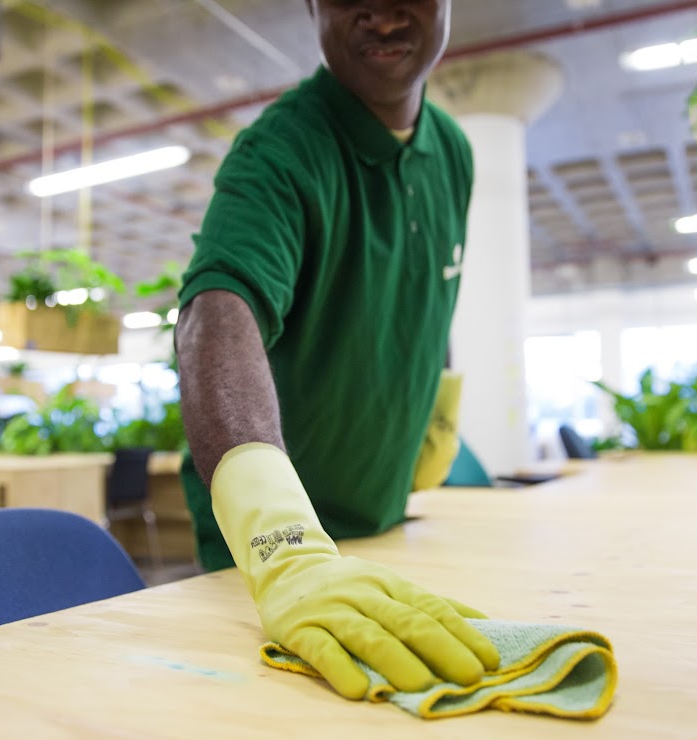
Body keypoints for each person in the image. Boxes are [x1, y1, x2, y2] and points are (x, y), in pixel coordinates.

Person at [175, 0, 499, 700]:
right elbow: (214, 317)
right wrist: (281, 547)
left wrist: (435, 414)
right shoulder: (280, 152)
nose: (381, 17)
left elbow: (428, 285)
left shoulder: (454, 152)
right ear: (313, 5)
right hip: (270, 565)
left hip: (386, 529)